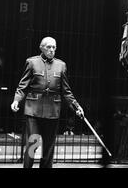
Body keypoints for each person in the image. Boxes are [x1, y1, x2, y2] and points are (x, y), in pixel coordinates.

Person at [10, 37, 84, 168]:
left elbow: (66, 91)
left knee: (49, 147)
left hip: (52, 111)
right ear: (41, 48)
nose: (51, 50)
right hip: (33, 109)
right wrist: (16, 100)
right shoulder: (32, 62)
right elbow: (23, 86)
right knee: (33, 144)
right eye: (49, 47)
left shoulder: (61, 65)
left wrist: (77, 107)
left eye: (54, 47)